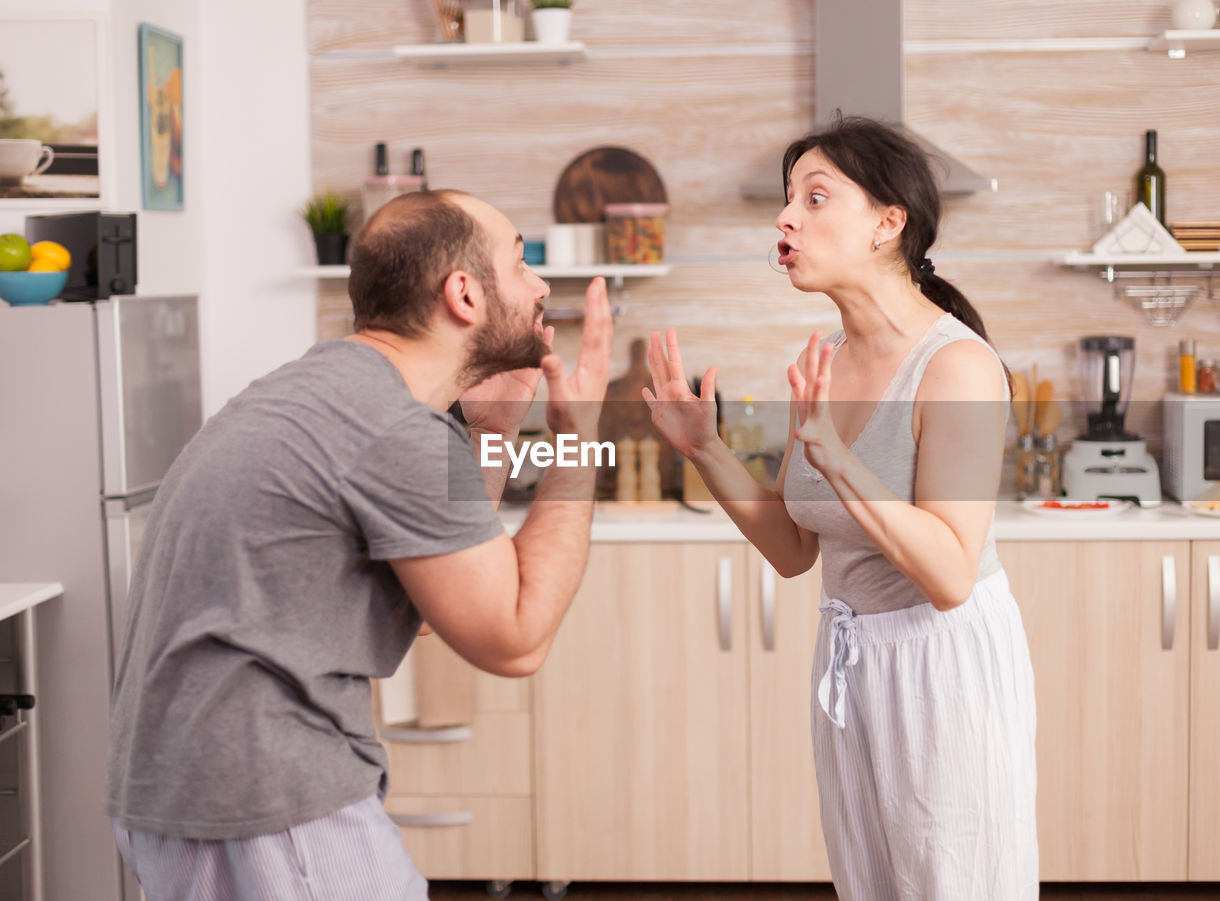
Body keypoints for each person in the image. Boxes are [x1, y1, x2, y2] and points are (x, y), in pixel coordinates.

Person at [105, 189, 613, 900]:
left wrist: (493, 433)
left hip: (196, 791)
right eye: (522, 261)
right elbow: (514, 638)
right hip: (265, 800)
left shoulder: (329, 390)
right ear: (463, 294)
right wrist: (578, 439)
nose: (540, 286)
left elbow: (446, 606)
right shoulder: (390, 426)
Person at [643, 117, 1038, 899]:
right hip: (852, 662)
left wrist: (837, 456)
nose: (786, 218)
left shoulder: (957, 365)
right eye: (788, 199)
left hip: (941, 666)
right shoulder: (823, 358)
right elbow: (795, 550)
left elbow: (951, 571)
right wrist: (706, 447)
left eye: (816, 198)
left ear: (889, 223)